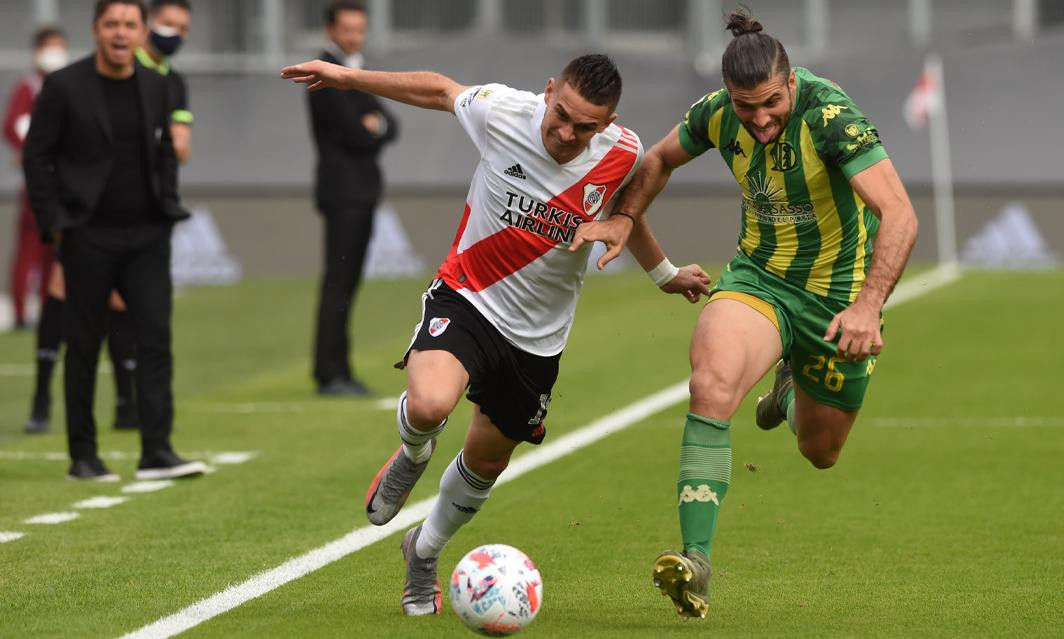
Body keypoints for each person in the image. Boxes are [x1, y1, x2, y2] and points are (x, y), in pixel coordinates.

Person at [281, 54, 711, 616]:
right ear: (548, 90)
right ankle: (412, 453)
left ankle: (424, 551)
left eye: (586, 127)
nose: (566, 133)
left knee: (486, 463)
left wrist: (665, 274)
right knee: (431, 403)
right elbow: (437, 89)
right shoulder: (501, 112)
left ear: (607, 123)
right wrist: (347, 78)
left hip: (537, 338)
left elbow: (629, 214)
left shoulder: (621, 151)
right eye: (561, 115)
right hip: (467, 296)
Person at [573, 9, 920, 619]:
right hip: (758, 281)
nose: (758, 120)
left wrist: (868, 306)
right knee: (710, 383)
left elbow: (900, 214)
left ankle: (790, 391)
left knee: (821, 450)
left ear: (790, 83)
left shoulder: (831, 116)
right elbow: (655, 160)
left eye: (769, 104)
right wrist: (625, 217)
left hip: (838, 299)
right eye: (744, 107)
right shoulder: (716, 113)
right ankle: (697, 561)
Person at [23, 0, 208, 481]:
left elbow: (167, 152)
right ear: (96, 31)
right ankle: (83, 455)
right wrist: (56, 225)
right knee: (83, 344)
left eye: (130, 24)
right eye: (112, 25)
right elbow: (36, 158)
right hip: (87, 233)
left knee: (155, 340)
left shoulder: (157, 83)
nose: (121, 33)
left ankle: (157, 451)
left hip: (148, 231)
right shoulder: (64, 86)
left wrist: (166, 203)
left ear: (141, 32)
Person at [307, 0, 398, 396]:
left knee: (348, 281)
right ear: (330, 29)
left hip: (360, 192)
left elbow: (390, 125)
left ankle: (339, 368)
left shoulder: (353, 73)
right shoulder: (324, 75)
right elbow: (357, 132)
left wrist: (372, 126)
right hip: (343, 193)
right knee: (339, 281)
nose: (353, 37)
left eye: (359, 29)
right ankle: (330, 373)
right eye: (347, 29)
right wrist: (370, 127)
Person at [3, 27, 67, 332]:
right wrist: (33, 152)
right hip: (38, 182)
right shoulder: (28, 88)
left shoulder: (68, 86)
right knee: (30, 247)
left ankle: (48, 309)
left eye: (60, 47)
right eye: (49, 47)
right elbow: (14, 127)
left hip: (65, 183)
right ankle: (19, 311)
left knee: (53, 251)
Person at [136, 0, 193, 165]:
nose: (175, 33)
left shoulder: (176, 82)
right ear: (148, 21)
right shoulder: (123, 68)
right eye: (168, 24)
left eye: (183, 28)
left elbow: (181, 149)